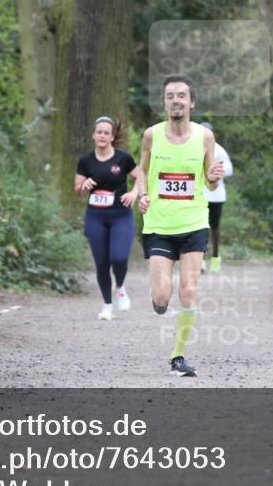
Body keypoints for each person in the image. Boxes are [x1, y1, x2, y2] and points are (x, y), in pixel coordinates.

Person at [135, 74, 225, 377]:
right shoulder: (151, 135)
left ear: (192, 102)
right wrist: (143, 194)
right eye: (170, 95)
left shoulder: (204, 137)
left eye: (181, 96)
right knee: (162, 297)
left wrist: (214, 176)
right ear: (164, 102)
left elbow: (210, 183)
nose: (176, 100)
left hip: (194, 223)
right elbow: (141, 170)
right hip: (160, 224)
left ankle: (178, 356)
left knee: (188, 289)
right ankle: (158, 300)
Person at [75, 116, 143, 320]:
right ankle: (107, 305)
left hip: (120, 215)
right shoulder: (85, 160)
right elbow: (77, 189)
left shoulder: (123, 158)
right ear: (94, 135)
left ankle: (120, 286)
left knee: (119, 258)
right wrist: (83, 185)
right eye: (99, 132)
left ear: (112, 137)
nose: (102, 136)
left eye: (107, 132)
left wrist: (134, 193)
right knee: (102, 262)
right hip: (95, 216)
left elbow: (142, 176)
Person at [199, 122, 233, 274]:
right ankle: (200, 259)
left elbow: (229, 169)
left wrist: (216, 172)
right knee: (201, 226)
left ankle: (215, 256)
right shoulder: (195, 149)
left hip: (217, 196)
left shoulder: (219, 150)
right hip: (201, 195)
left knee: (214, 227)